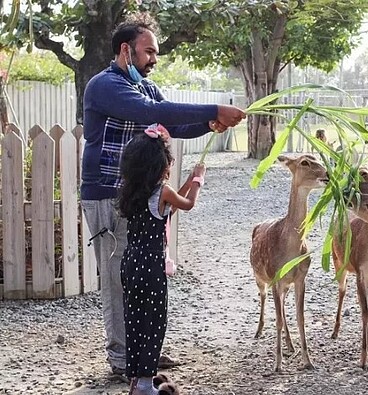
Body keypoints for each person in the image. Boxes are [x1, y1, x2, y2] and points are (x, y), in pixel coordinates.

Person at [80, 12, 245, 377]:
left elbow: (170, 121)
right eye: (148, 52)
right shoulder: (105, 86)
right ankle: (123, 360)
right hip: (106, 193)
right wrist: (214, 108)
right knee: (116, 278)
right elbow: (150, 112)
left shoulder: (146, 87)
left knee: (140, 278)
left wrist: (207, 124)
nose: (154, 59)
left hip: (135, 194)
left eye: (155, 53)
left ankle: (143, 354)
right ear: (126, 51)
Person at [117, 125, 203, 394]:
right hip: (151, 265)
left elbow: (166, 210)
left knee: (134, 320)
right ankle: (144, 384)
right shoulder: (163, 191)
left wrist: (187, 180)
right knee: (154, 321)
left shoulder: (135, 191)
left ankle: (136, 380)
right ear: (159, 165)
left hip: (131, 263)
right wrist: (198, 180)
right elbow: (185, 204)